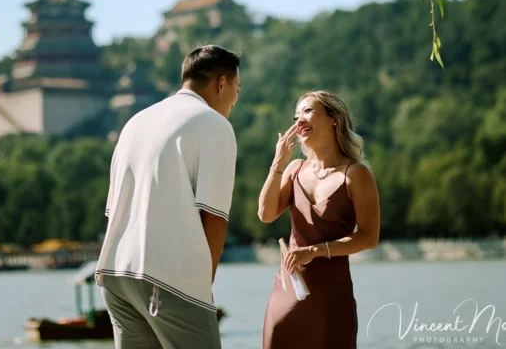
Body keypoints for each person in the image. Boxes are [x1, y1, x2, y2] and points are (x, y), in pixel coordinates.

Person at [95, 44, 241, 349]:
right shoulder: (215, 125)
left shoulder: (135, 122)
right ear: (222, 83)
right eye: (237, 89)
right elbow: (214, 216)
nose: (234, 101)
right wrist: (203, 287)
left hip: (115, 273)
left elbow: (113, 210)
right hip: (168, 276)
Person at [258, 90, 380, 349]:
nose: (299, 119)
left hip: (331, 295)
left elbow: (369, 238)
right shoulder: (294, 169)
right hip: (288, 290)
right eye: (296, 115)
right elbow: (265, 214)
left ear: (333, 117)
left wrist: (315, 251)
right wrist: (278, 162)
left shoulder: (355, 174)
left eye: (308, 111)